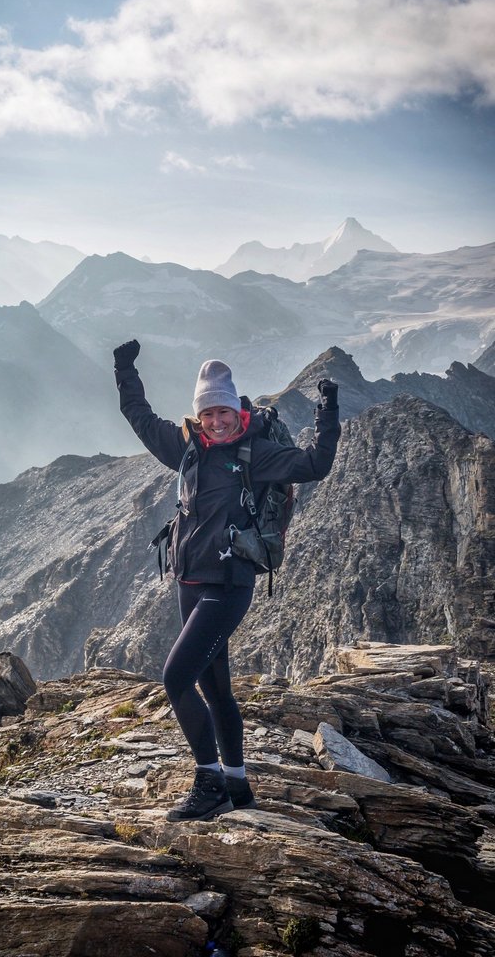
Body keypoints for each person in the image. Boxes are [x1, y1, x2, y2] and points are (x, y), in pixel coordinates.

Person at [113, 339, 341, 821]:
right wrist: (124, 368)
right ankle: (238, 787)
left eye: (223, 411)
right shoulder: (187, 448)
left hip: (229, 584)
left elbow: (316, 464)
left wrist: (328, 411)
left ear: (236, 408)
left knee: (176, 678)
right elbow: (137, 414)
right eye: (207, 413)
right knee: (216, 691)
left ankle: (209, 781)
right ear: (198, 416)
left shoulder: (256, 452)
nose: (216, 421)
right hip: (190, 582)